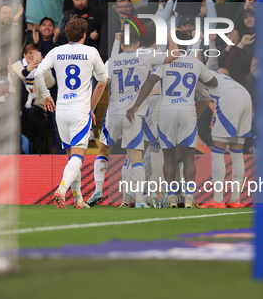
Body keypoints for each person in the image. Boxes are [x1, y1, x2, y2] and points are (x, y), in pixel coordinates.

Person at [87, 23, 178, 208]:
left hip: (112, 113)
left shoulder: (111, 61)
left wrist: (90, 110)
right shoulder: (146, 57)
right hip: (133, 114)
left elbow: (100, 85)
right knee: (135, 157)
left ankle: (98, 190)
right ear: (138, 43)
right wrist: (170, 36)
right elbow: (173, 55)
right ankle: (138, 200)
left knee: (103, 151)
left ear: (121, 45)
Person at [127, 30, 218, 208]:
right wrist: (199, 82)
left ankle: (171, 197)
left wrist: (136, 104)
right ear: (188, 45)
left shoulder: (164, 62)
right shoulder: (195, 63)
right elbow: (213, 82)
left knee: (168, 156)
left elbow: (150, 82)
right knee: (188, 157)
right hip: (187, 111)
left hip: (167, 111)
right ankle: (190, 196)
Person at [35, 16, 107, 208]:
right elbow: (102, 82)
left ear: (67, 34)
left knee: (72, 156)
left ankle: (78, 199)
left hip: (61, 110)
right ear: (84, 35)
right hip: (80, 110)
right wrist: (91, 109)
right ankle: (61, 189)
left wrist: (46, 95)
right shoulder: (91, 52)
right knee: (78, 156)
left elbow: (38, 72)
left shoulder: (56, 51)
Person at [195, 68, 253, 207]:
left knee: (217, 152)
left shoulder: (190, 75)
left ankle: (218, 200)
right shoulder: (209, 72)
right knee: (237, 153)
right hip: (245, 95)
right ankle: (235, 200)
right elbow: (200, 106)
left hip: (228, 98)